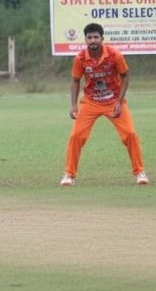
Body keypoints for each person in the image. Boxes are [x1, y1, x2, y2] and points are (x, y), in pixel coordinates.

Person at [61, 23, 147, 186]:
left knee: (130, 134)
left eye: (96, 37)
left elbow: (125, 76)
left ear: (102, 38)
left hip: (113, 100)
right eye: (89, 37)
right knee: (76, 136)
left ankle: (140, 172)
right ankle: (69, 175)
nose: (93, 40)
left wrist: (119, 102)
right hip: (90, 101)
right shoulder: (80, 58)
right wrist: (73, 105)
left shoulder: (114, 55)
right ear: (85, 40)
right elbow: (75, 80)